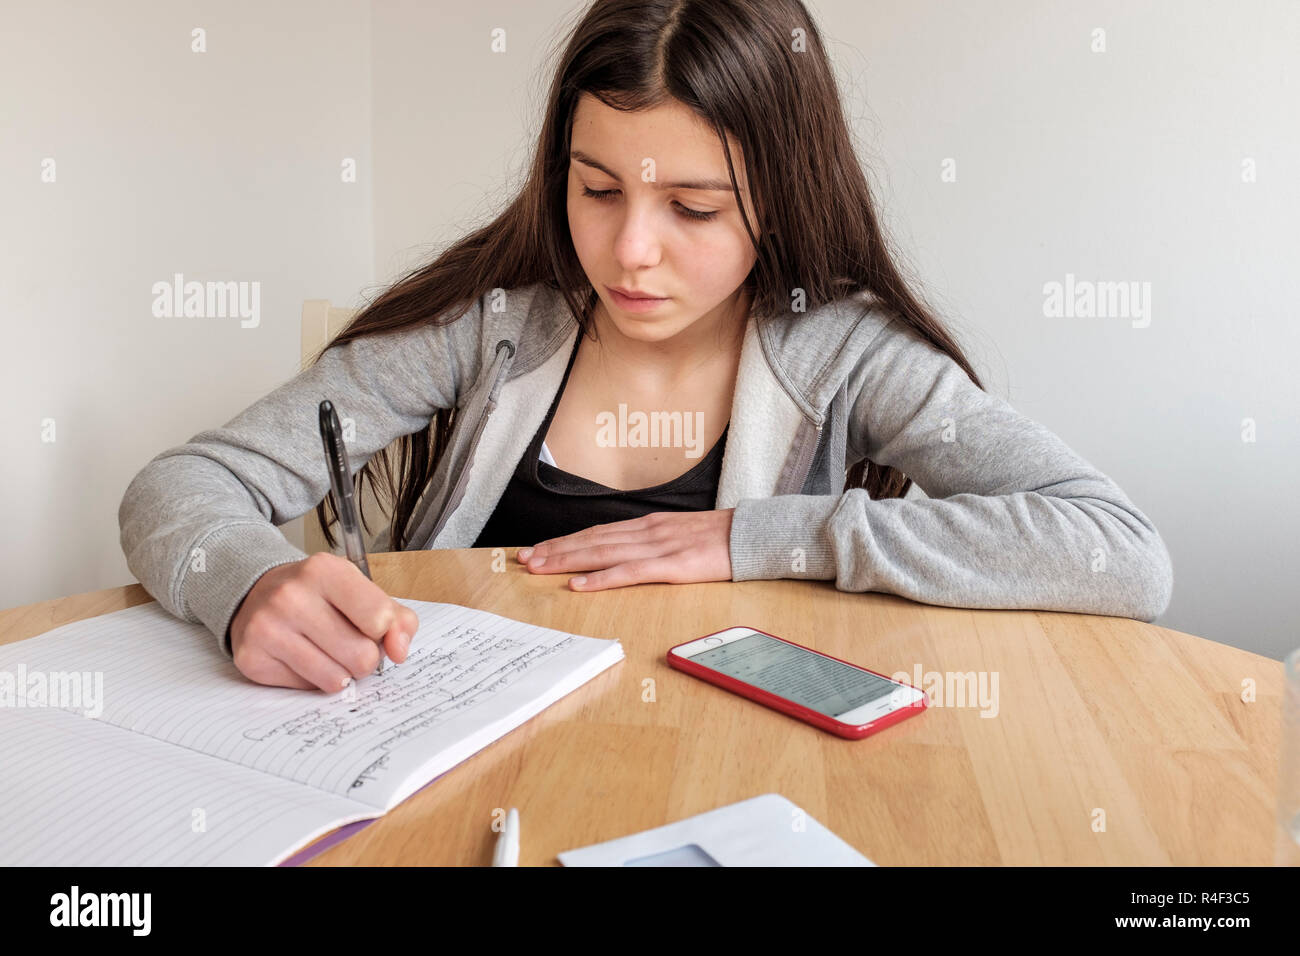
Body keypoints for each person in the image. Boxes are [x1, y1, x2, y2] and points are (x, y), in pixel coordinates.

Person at [119, 0, 1173, 692]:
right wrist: (248, 582)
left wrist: (755, 537)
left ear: (779, 196)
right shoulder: (491, 324)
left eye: (694, 209)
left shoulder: (848, 351)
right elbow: (182, 485)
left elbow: (1118, 551)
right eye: (597, 188)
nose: (628, 251)